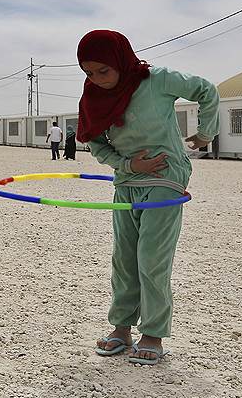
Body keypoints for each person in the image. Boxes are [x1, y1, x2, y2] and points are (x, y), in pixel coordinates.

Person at [76, 30, 218, 366]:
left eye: (103, 71)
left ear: (120, 61)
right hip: (127, 179)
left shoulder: (157, 79)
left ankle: (152, 332)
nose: (96, 79)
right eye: (88, 73)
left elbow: (206, 90)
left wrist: (205, 132)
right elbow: (95, 142)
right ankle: (121, 328)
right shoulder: (93, 96)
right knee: (124, 257)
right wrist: (127, 164)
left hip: (165, 176)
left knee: (151, 255)